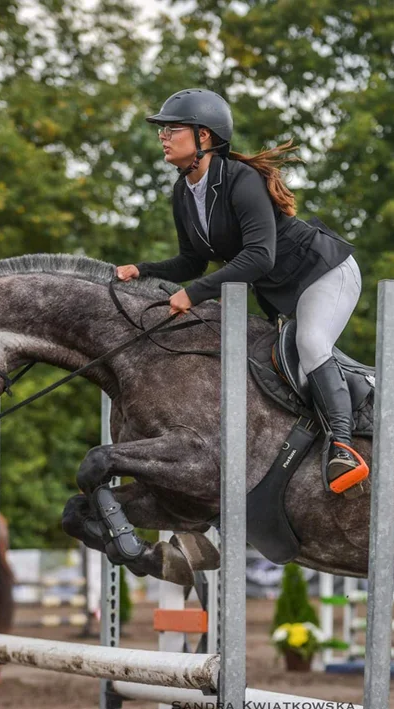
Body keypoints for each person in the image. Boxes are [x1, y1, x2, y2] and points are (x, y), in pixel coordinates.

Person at [116, 88, 368, 494]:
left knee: (311, 342)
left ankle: (342, 446)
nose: (163, 136)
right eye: (162, 130)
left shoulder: (241, 179)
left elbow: (259, 257)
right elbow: (192, 262)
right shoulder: (183, 193)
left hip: (323, 272)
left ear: (204, 137)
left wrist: (193, 294)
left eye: (172, 128)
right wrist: (141, 270)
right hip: (281, 292)